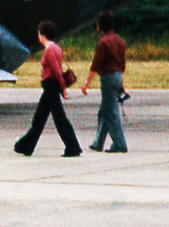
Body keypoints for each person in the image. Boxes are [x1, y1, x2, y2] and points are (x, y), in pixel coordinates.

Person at [14, 21, 81, 157]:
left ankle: (73, 147)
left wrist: (63, 89)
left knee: (59, 117)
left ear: (42, 34)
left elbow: (57, 71)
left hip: (51, 85)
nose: (38, 35)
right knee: (40, 117)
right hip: (50, 86)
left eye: (39, 32)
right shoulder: (56, 48)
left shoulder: (50, 49)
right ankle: (26, 146)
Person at [82, 11, 128, 152]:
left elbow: (96, 64)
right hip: (118, 76)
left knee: (111, 112)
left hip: (108, 77)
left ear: (100, 25)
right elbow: (123, 64)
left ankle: (120, 143)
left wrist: (86, 83)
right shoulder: (120, 41)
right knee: (104, 111)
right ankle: (98, 142)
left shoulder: (103, 42)